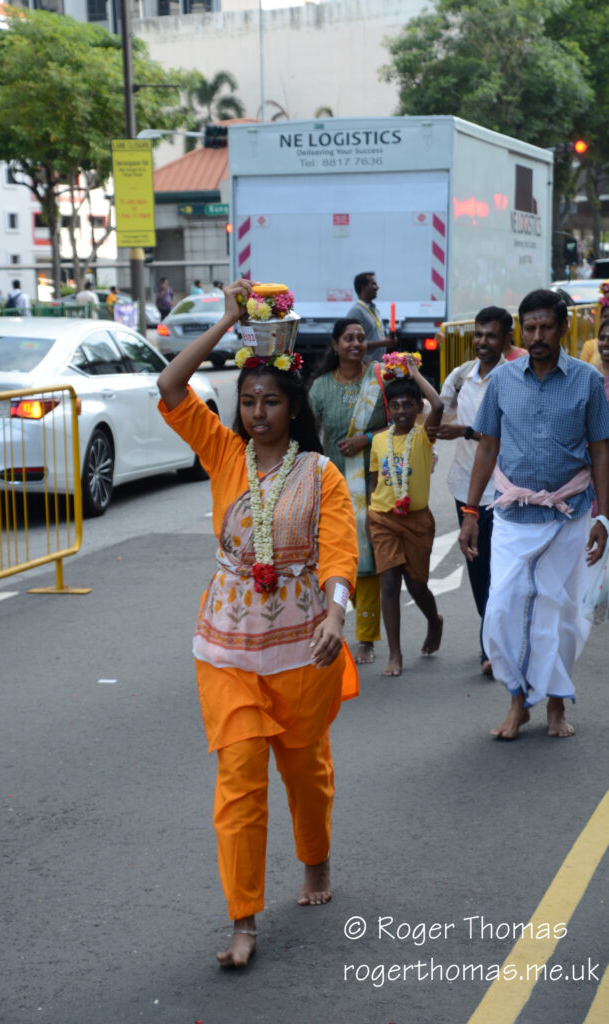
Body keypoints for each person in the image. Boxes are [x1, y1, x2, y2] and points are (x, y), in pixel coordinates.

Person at [157, 279, 359, 969]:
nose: (257, 413)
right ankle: (242, 918)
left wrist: (335, 613)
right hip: (226, 648)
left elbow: (338, 551)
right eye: (247, 402)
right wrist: (222, 323)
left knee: (306, 773)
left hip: (304, 648)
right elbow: (170, 384)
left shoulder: (320, 472)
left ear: (293, 407)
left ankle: (315, 860)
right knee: (239, 778)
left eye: (270, 401)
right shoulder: (220, 452)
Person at [459, 289, 609, 740]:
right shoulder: (504, 381)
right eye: (530, 327)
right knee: (502, 608)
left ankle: (553, 707)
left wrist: (605, 519)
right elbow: (487, 446)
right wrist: (469, 512)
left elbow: (601, 452)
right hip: (511, 515)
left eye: (546, 327)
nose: (538, 335)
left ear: (564, 328)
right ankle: (518, 700)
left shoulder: (586, 381)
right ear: (520, 330)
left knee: (557, 615)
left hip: (570, 515)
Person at [431, 307, 510, 675]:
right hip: (465, 486)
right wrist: (409, 376)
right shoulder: (461, 375)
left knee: (502, 570)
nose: (482, 342)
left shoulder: (515, 378)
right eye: (479, 335)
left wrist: (464, 431)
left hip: (507, 491)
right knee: (478, 570)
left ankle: (490, 647)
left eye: (491, 336)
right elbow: (437, 413)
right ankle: (491, 636)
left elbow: (508, 436)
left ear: (507, 339)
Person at [309, 318, 389, 664]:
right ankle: (328, 622)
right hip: (333, 483)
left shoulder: (382, 379)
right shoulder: (320, 388)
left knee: (369, 559)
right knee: (337, 555)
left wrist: (367, 439)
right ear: (335, 345)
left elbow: (404, 421)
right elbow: (309, 436)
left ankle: (367, 637)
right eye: (348, 338)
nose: (356, 343)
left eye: (361, 338)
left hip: (375, 482)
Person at [367, 357, 444, 677]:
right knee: (388, 582)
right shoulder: (379, 440)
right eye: (395, 405)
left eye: (408, 405)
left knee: (416, 585)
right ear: (389, 409)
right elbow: (375, 479)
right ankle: (395, 654)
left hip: (416, 519)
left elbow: (439, 403)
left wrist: (414, 374)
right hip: (383, 518)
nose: (401, 411)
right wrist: (375, 506)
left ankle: (433, 620)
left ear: (417, 407)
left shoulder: (425, 435)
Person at [346, 272, 388, 354]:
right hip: (366, 365)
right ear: (363, 287)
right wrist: (383, 343)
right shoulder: (356, 311)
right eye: (373, 284)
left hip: (377, 364)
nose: (377, 287)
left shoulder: (374, 309)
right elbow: (353, 343)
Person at [579, 302, 609, 367]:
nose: (605, 344)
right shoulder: (589, 345)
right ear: (600, 318)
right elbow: (582, 369)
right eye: (606, 316)